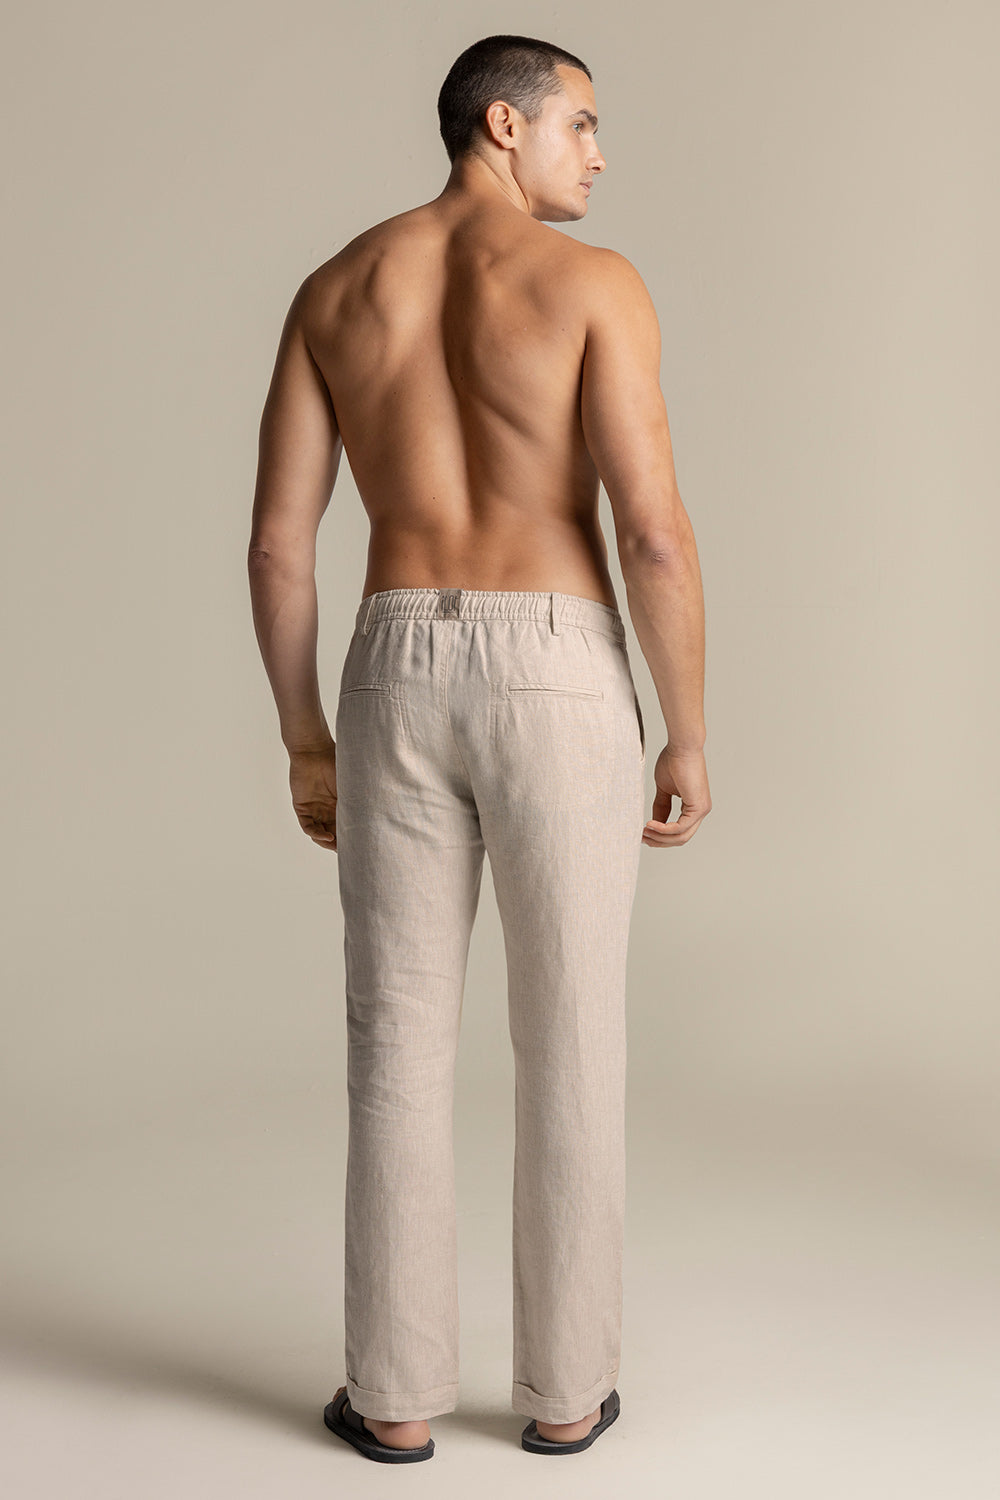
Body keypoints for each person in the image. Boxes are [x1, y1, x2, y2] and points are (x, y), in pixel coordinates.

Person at [247, 33, 711, 1464]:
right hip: (558, 665)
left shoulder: (337, 288)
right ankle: (565, 1393)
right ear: (502, 125)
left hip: (392, 661)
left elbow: (278, 548)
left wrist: (307, 739)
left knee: (395, 1040)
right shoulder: (594, 285)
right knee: (570, 1032)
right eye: (583, 124)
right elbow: (651, 534)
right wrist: (688, 731)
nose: (600, 154)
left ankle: (392, 1397)